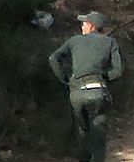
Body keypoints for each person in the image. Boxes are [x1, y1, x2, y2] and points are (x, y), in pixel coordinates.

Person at [48, 11, 125, 162]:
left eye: (84, 23)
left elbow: (53, 58)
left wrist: (65, 79)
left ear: (91, 26)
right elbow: (119, 70)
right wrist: (102, 78)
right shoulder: (110, 42)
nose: (82, 26)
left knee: (82, 132)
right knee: (98, 135)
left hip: (77, 92)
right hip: (98, 92)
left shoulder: (74, 41)